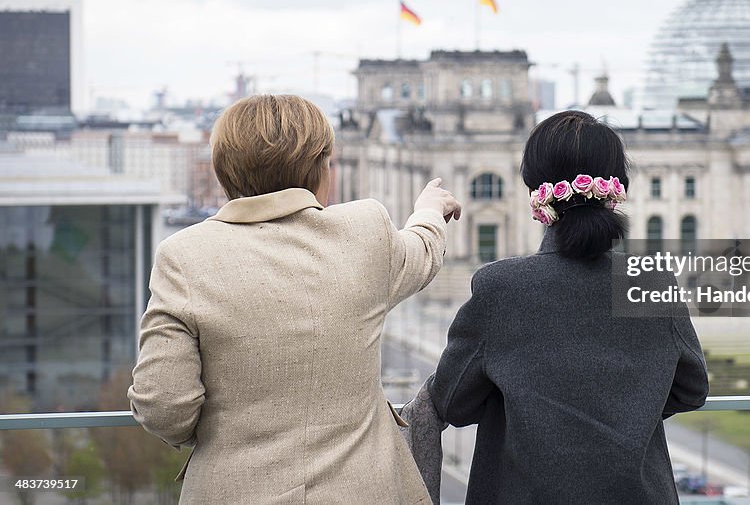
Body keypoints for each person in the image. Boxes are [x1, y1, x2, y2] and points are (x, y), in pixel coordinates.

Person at [127, 94, 461, 504]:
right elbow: (422, 251)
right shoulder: (364, 231)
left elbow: (163, 406)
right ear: (321, 168)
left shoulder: (184, 256)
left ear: (222, 171)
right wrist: (428, 210)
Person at [427, 110, 708, 503]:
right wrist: (627, 404)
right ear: (617, 189)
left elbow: (452, 402)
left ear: (535, 194)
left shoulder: (500, 288)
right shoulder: (654, 280)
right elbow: (693, 389)